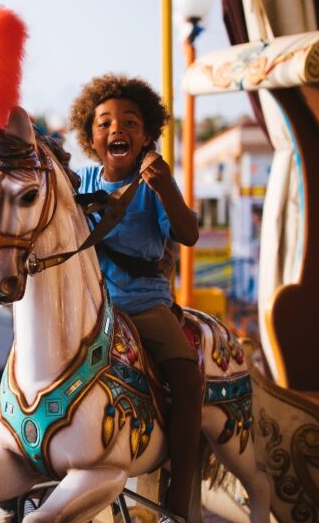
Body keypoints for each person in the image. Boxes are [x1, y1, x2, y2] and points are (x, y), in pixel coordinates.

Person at [68, 73, 202, 522]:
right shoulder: (81, 181)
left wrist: (165, 185)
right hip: (91, 306)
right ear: (90, 137)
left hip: (143, 305)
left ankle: (178, 500)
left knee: (187, 380)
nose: (116, 130)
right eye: (104, 123)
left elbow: (188, 233)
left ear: (146, 135)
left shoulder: (153, 183)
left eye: (129, 122)